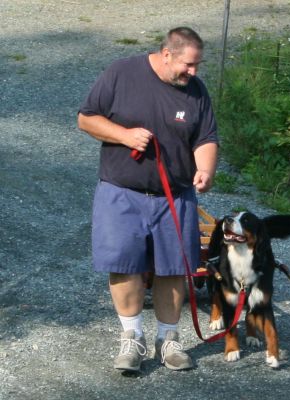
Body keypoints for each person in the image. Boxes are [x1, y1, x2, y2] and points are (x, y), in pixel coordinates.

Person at [78, 27, 218, 372]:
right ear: (167, 53)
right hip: (121, 192)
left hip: (176, 196)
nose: (194, 73)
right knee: (125, 265)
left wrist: (205, 169)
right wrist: (124, 135)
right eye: (188, 65)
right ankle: (132, 338)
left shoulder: (196, 91)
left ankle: (168, 340)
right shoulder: (121, 73)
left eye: (198, 65)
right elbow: (86, 119)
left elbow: (206, 137)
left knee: (173, 268)